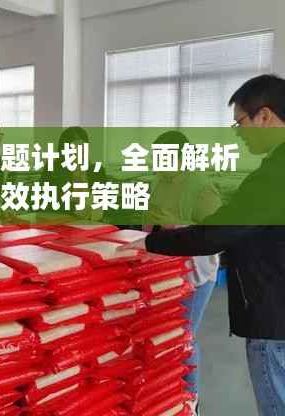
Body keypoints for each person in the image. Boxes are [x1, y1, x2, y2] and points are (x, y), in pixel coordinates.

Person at [117, 74, 285, 416]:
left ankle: (189, 400)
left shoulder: (268, 175)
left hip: (268, 308)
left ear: (265, 116)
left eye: (239, 122)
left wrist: (151, 240)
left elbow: (216, 232)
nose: (237, 133)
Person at [145, 130, 222, 415]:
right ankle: (169, 392)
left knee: (183, 336)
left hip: (195, 274)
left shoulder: (201, 187)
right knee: (166, 333)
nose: (157, 165)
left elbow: (215, 234)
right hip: (165, 271)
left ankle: (191, 398)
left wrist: (174, 225)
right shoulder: (158, 181)